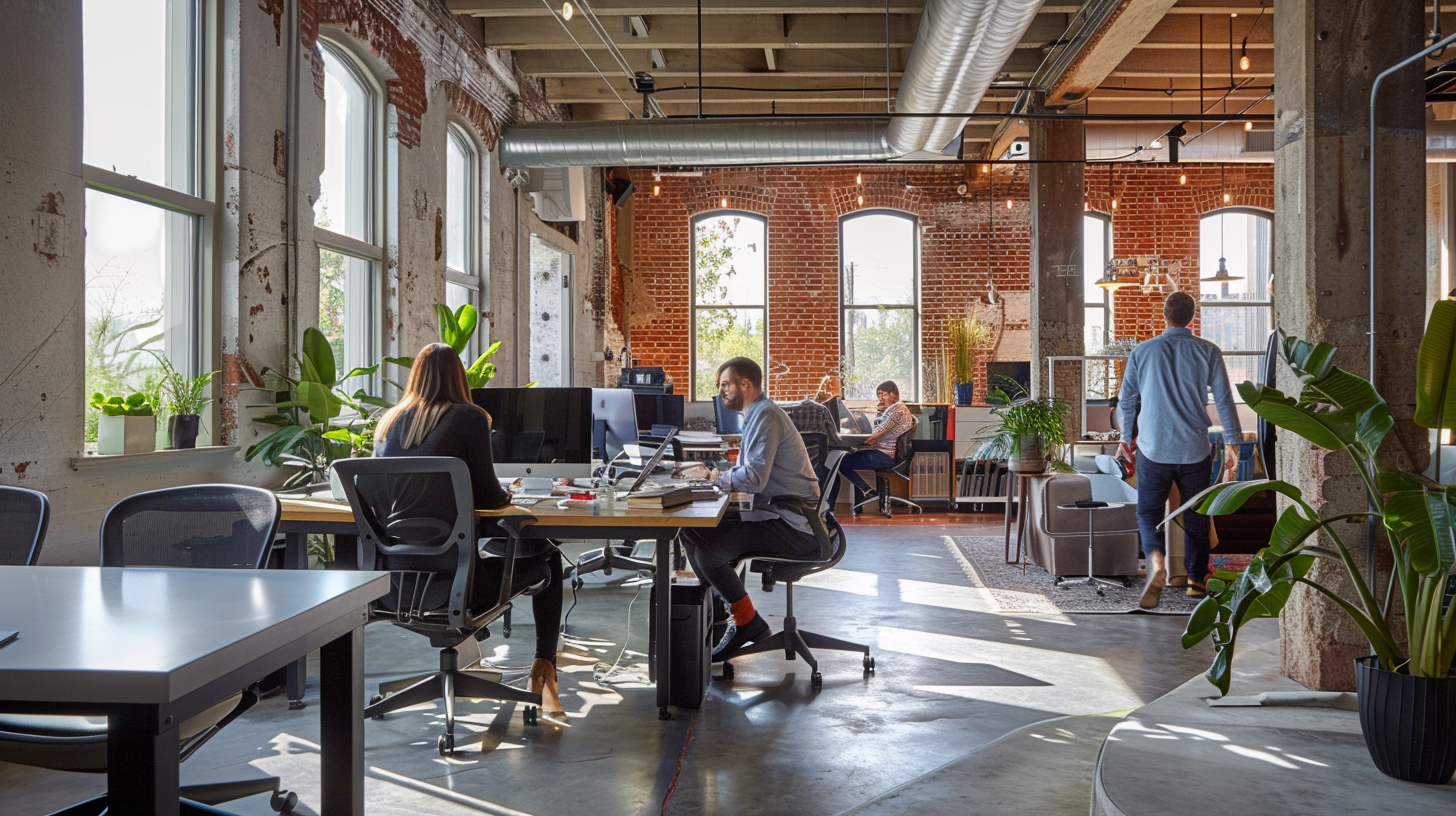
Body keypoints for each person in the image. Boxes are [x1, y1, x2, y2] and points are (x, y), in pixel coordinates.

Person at [373, 343, 566, 716]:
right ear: (459, 378)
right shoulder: (468, 418)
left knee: (480, 555)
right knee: (548, 556)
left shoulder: (387, 423)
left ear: (415, 377)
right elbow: (492, 499)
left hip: (394, 586)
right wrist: (508, 494)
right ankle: (544, 670)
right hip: (455, 587)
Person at [681, 357, 822, 657]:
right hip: (776, 514)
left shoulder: (765, 415)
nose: (720, 392)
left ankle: (747, 622)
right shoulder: (759, 413)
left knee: (709, 552)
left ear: (745, 385)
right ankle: (721, 613)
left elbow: (755, 478)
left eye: (725, 385)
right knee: (689, 529)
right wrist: (719, 479)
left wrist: (715, 477)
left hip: (793, 523)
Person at [1117, 291, 1242, 609]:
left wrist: (1124, 437)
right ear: (1192, 316)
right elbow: (1225, 400)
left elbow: (1127, 400)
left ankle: (1156, 562)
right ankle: (1196, 583)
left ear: (1164, 315)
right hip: (1193, 449)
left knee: (1148, 513)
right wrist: (1233, 442)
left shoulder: (1142, 352)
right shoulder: (1208, 350)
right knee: (1198, 515)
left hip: (1153, 447)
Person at [830, 381, 915, 509]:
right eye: (879, 395)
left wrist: (860, 437)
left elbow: (874, 436)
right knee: (846, 459)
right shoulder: (895, 409)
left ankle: (866, 491)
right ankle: (864, 493)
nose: (880, 398)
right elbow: (879, 432)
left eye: (884, 395)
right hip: (888, 454)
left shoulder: (896, 410)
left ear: (894, 395)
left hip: (886, 456)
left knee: (841, 461)